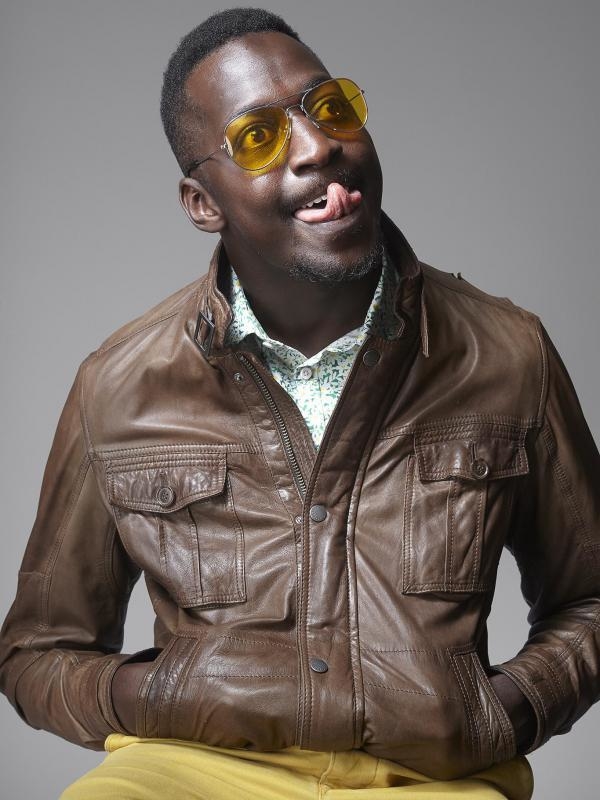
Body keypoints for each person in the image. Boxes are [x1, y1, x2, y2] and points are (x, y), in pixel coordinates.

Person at [0, 7, 598, 799]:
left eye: (330, 108)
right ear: (202, 203)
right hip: (194, 769)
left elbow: (591, 598)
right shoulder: (118, 382)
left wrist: (509, 710)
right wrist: (161, 695)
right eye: (259, 137)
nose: (319, 147)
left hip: (431, 779)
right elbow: (36, 652)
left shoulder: (508, 351)